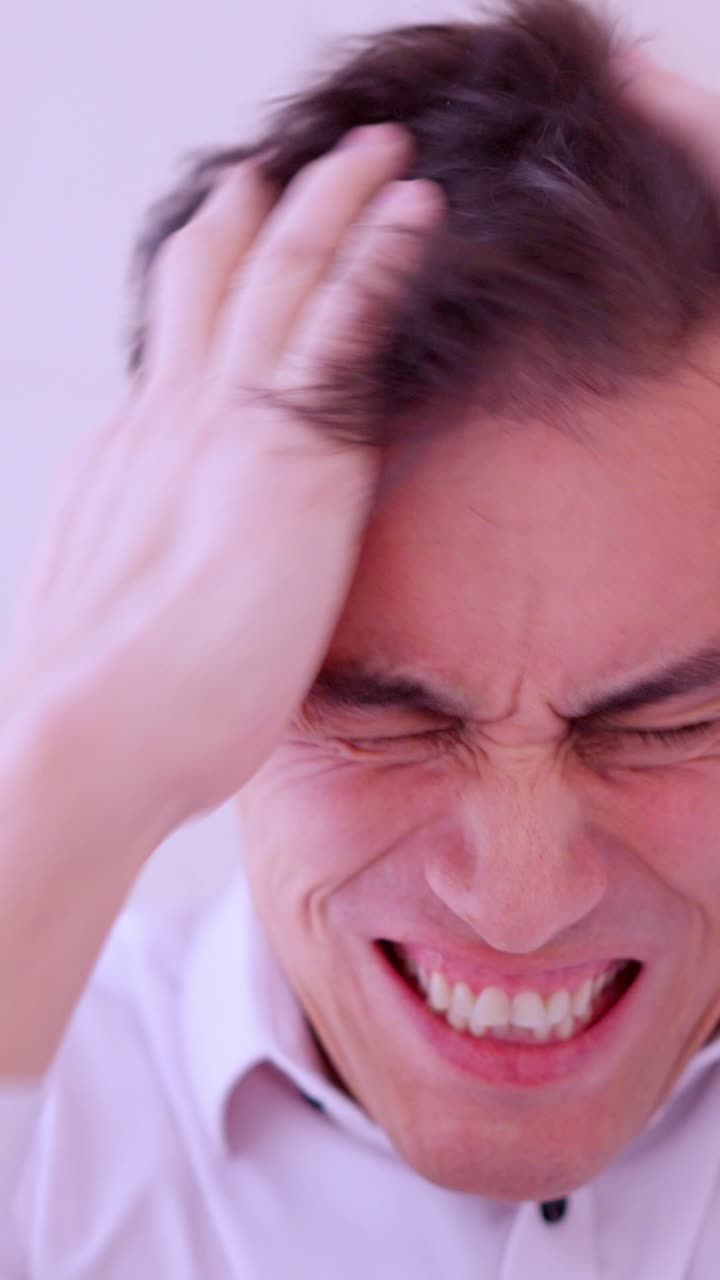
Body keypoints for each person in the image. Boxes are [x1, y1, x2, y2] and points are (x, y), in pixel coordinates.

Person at [3, 0, 720, 1274]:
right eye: (384, 716)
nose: (518, 899)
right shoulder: (55, 1111)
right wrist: (61, 765)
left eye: (670, 724)